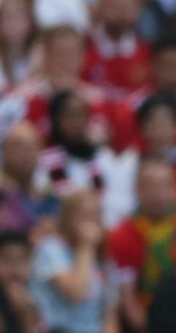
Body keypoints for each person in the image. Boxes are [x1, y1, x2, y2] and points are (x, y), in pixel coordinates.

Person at [106, 160, 176, 332]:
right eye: (149, 185)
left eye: (164, 185)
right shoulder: (122, 234)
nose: (157, 193)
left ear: (175, 189)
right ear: (137, 189)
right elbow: (128, 298)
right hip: (146, 315)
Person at [32, 90, 128, 227]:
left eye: (82, 115)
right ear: (56, 119)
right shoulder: (45, 161)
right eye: (70, 115)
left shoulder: (103, 157)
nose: (77, 122)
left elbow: (116, 201)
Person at [29, 190, 117, 333]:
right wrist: (86, 246)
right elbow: (76, 292)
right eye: (84, 215)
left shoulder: (102, 256)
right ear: (66, 218)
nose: (91, 222)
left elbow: (109, 315)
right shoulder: (50, 249)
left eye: (96, 215)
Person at [82, 0, 151, 100]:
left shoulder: (149, 52)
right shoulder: (81, 46)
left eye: (128, 5)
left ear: (138, 10)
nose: (122, 11)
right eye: (115, 4)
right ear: (98, 6)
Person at [0, 122, 56, 231]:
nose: (26, 154)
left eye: (32, 147)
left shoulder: (49, 195)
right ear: (5, 151)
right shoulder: (2, 194)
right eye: (19, 147)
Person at [0, 230, 39, 333]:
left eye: (21, 259)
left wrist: (25, 312)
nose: (14, 266)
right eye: (6, 259)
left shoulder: (36, 294)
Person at [0, 0, 38, 90]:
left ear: (31, 22)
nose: (14, 23)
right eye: (8, 17)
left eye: (19, 16)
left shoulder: (43, 55)